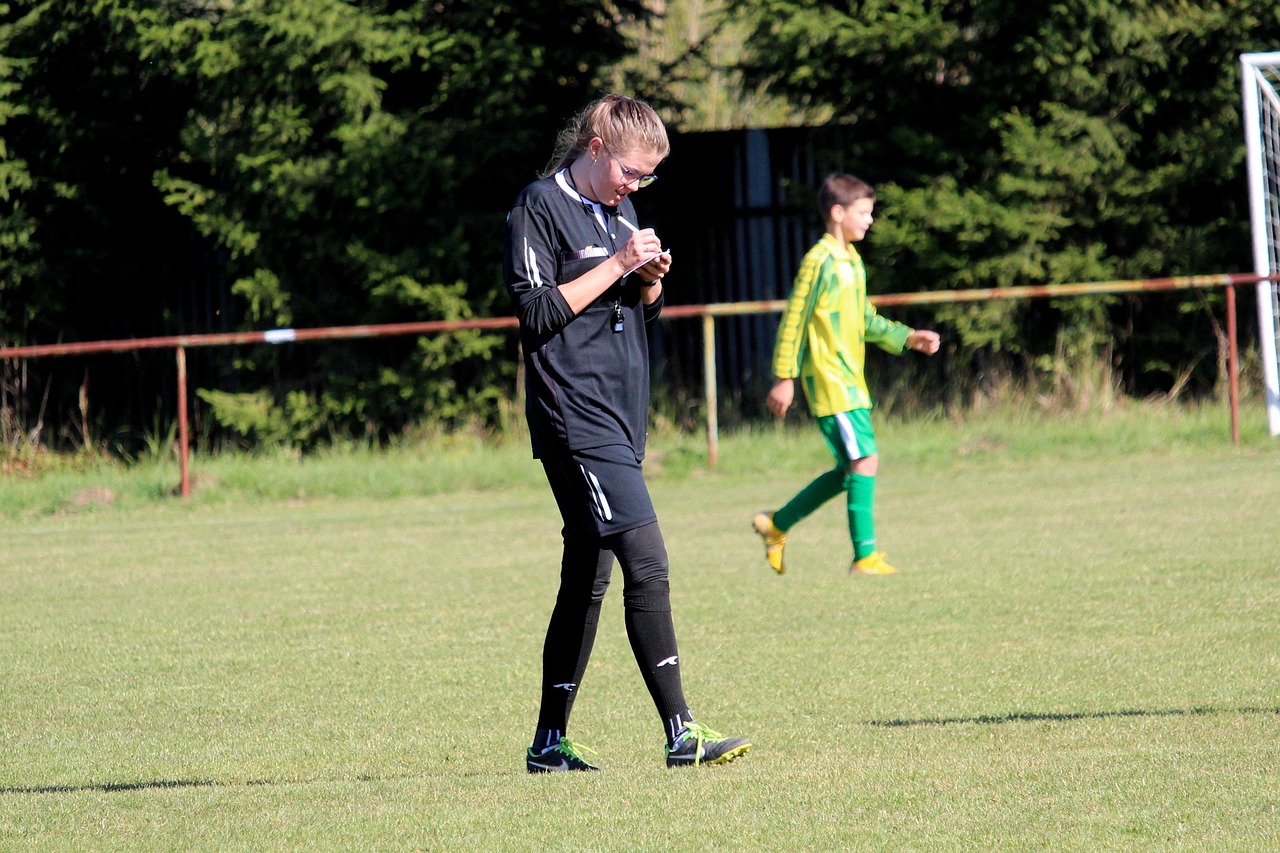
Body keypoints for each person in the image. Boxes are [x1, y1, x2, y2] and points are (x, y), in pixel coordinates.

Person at [503, 94, 750, 773]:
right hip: (572, 417)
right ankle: (682, 731)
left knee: (587, 575)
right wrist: (615, 265)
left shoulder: (620, 212)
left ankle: (548, 744)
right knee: (648, 558)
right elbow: (537, 313)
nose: (635, 186)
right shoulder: (537, 206)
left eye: (645, 178)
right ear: (596, 149)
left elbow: (638, 320)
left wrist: (648, 283)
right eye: (630, 172)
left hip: (619, 416)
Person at [753, 173, 941, 576]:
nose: (870, 220)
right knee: (865, 459)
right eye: (864, 212)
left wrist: (907, 337)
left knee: (852, 468)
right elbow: (795, 321)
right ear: (838, 213)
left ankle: (777, 524)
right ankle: (864, 557)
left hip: (850, 379)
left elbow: (865, 320)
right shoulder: (819, 261)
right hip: (829, 380)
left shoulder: (851, 261)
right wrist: (784, 377)